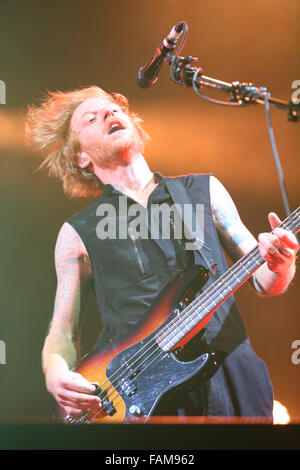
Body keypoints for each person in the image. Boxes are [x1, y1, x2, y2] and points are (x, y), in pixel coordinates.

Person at [25, 86, 298, 421]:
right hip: (144, 396)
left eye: (113, 109)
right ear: (80, 156)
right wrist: (55, 372)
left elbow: (265, 280)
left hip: (233, 376)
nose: (109, 115)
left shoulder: (203, 189)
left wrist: (281, 262)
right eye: (91, 118)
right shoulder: (76, 233)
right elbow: (63, 331)